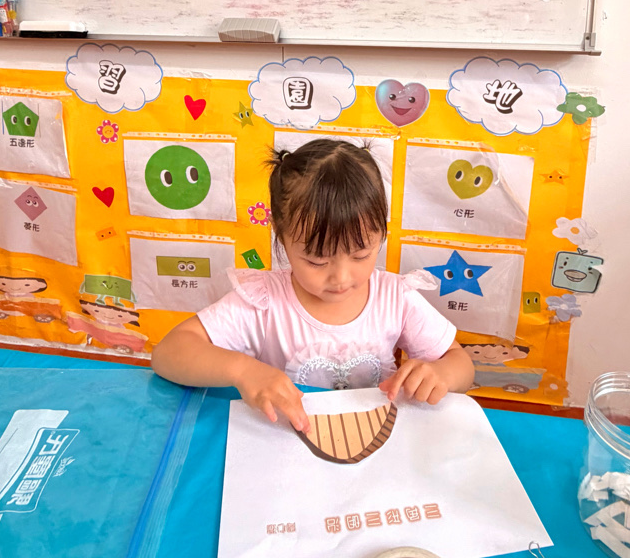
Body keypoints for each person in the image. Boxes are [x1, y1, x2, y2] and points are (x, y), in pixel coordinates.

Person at [152, 139, 474, 433]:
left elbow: (460, 363)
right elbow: (167, 353)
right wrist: (242, 371)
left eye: (361, 255)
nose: (341, 278)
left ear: (382, 233)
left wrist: (441, 375)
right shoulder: (264, 302)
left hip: (377, 443)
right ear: (281, 235)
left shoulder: (396, 298)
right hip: (287, 446)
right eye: (317, 261)